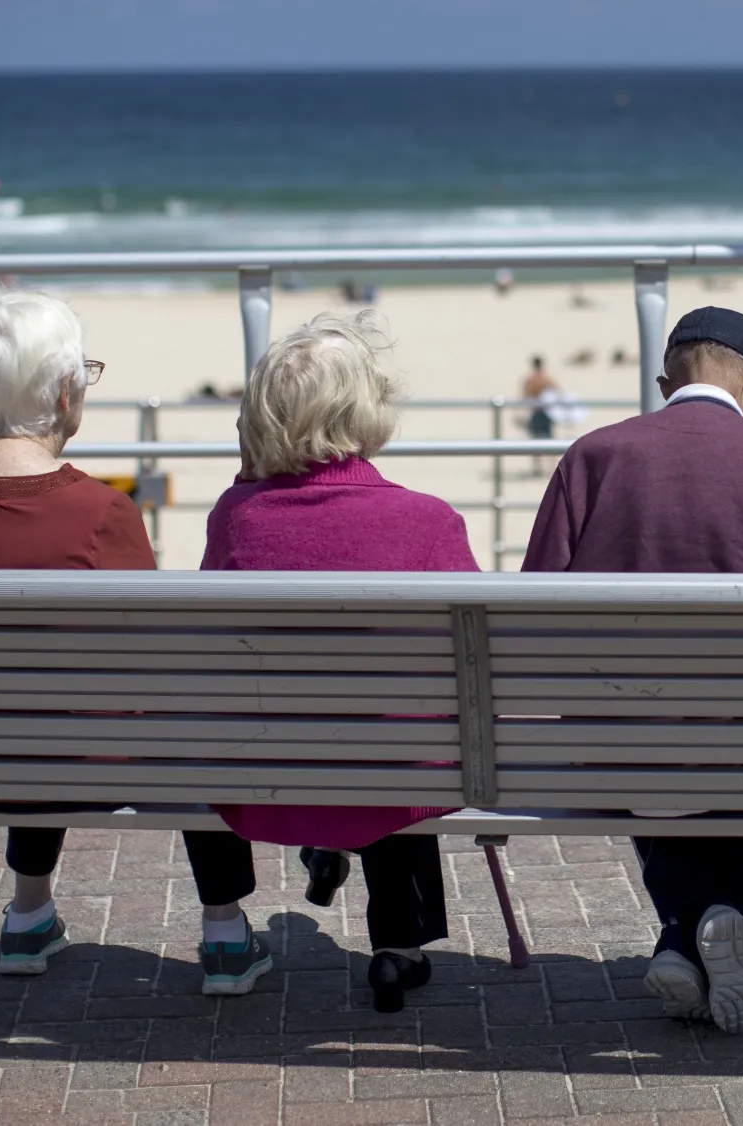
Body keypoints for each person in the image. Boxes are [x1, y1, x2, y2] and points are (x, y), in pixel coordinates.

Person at [0, 289, 269, 997]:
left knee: (30, 695)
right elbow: (156, 663)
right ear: (66, 391)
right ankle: (224, 932)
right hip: (81, 767)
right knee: (185, 714)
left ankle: (28, 915)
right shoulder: (100, 511)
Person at [522, 307, 743, 1034]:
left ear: (664, 383)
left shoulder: (591, 457)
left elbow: (533, 612)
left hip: (623, 750)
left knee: (649, 741)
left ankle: (680, 932)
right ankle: (728, 910)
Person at [202, 311, 477, 1012]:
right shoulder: (428, 520)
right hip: (391, 772)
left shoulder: (235, 517)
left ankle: (328, 846)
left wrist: (248, 481)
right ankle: (398, 946)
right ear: (366, 410)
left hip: (270, 771)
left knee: (367, 723)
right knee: (406, 726)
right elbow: (470, 664)